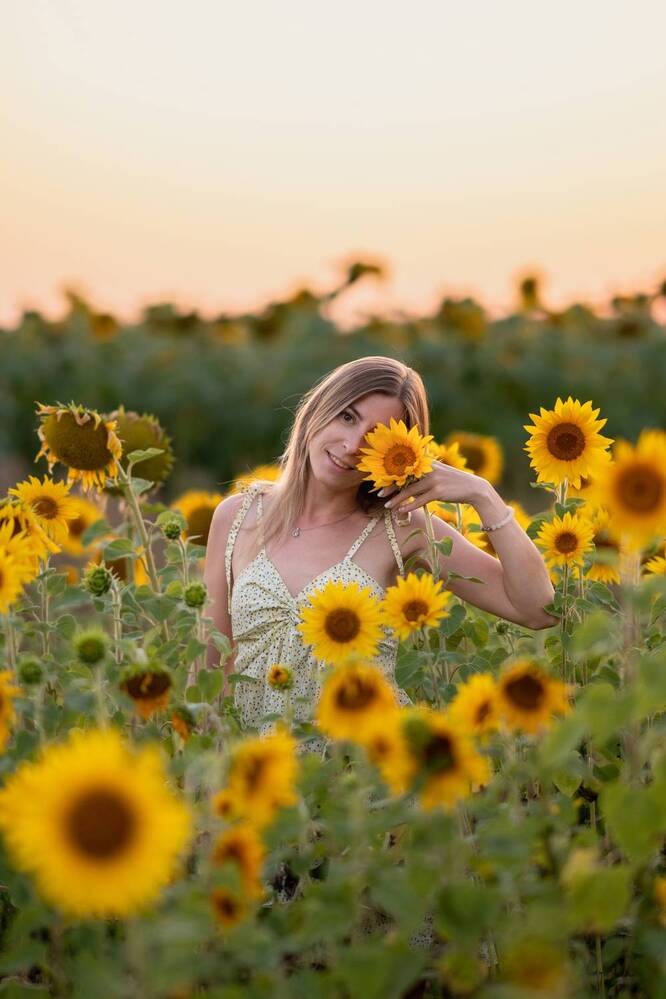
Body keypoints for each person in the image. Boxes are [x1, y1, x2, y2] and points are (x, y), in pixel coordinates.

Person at [203, 355, 557, 745]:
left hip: (366, 774)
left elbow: (537, 609)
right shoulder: (237, 516)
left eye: (375, 437)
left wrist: (483, 495)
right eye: (348, 417)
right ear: (319, 408)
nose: (353, 446)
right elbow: (213, 664)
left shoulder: (402, 528)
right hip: (261, 772)